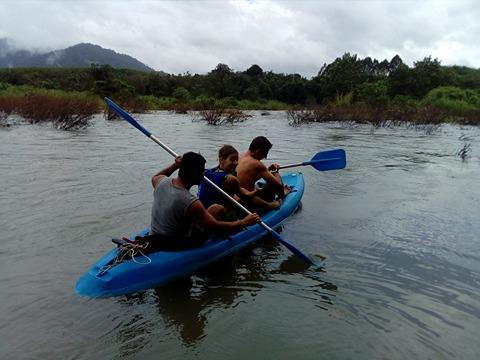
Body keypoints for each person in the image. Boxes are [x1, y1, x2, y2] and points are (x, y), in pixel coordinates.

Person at [147, 151, 260, 251]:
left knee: (216, 209)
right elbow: (214, 226)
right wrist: (244, 222)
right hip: (175, 244)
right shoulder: (190, 202)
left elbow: (157, 175)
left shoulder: (160, 182)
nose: (204, 174)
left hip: (154, 238)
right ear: (194, 174)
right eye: (202, 171)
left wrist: (175, 165)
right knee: (219, 212)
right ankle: (227, 242)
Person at [197, 144, 257, 219]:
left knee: (237, 199)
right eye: (232, 159)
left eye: (236, 160)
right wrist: (257, 191)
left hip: (202, 211)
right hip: (215, 215)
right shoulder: (229, 178)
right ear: (221, 159)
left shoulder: (206, 172)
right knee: (241, 201)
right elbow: (247, 194)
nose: (235, 163)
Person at [236, 136, 289, 212]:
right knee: (273, 185)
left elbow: (249, 178)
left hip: (240, 197)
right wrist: (275, 172)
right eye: (265, 154)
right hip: (248, 203)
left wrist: (267, 170)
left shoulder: (239, 157)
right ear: (257, 151)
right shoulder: (257, 164)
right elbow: (278, 185)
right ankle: (280, 197)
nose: (265, 157)